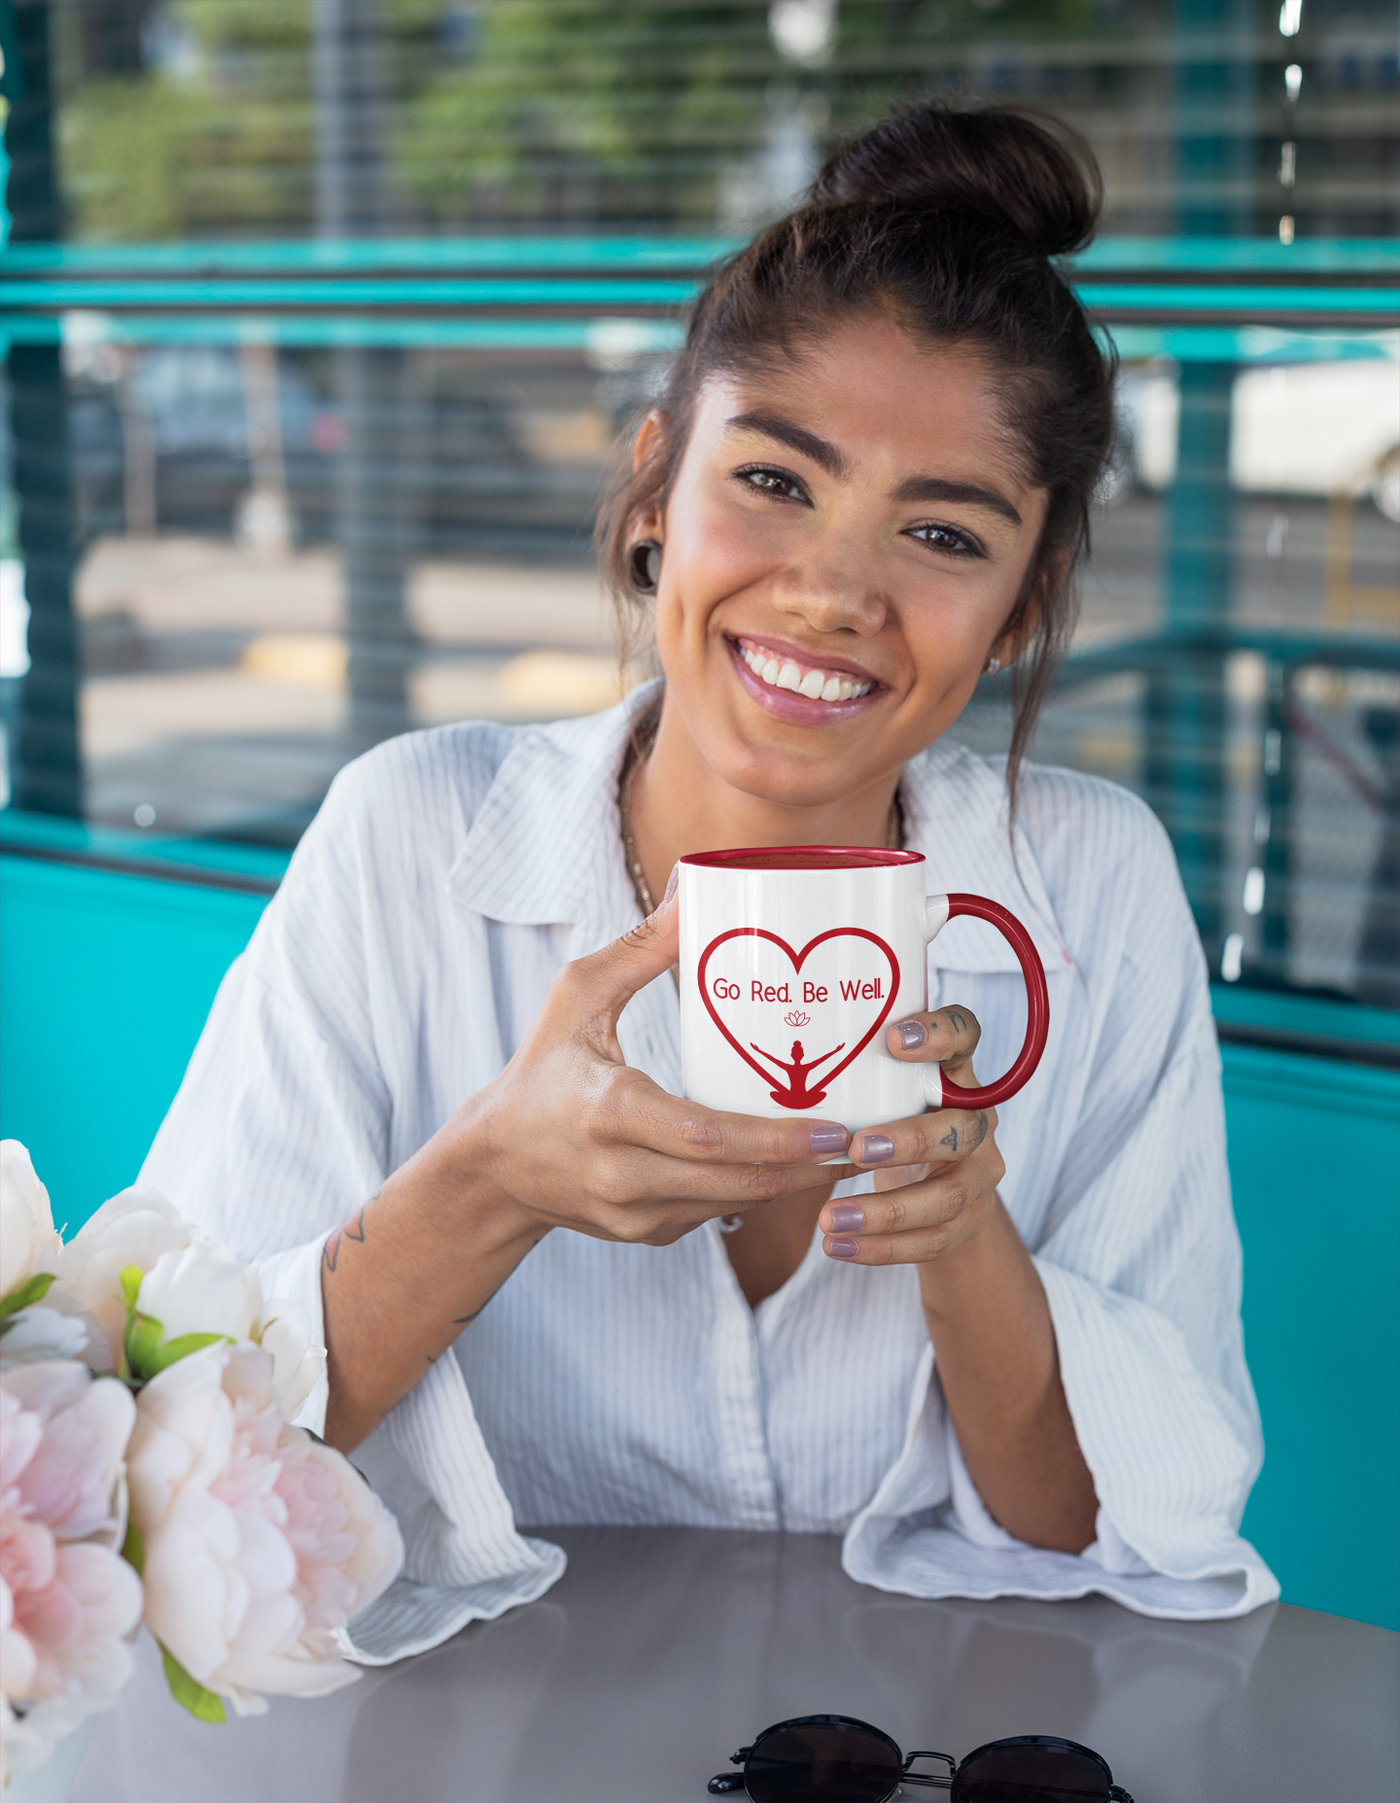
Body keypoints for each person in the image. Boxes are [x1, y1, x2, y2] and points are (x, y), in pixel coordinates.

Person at [144, 102, 1277, 1661]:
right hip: (479, 1768)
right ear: (657, 489)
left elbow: (1082, 1519)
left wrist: (961, 1232)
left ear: (1026, 604)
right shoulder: (406, 839)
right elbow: (173, 1443)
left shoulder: (1092, 885)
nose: (832, 592)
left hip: (898, 1769)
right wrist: (488, 1186)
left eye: (943, 532)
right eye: (776, 481)